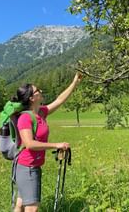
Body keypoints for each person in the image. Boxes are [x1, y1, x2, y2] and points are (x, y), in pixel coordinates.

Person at [12, 72, 82, 212]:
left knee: (20, 205)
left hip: (31, 167)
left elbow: (59, 100)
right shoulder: (25, 118)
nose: (41, 91)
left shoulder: (41, 113)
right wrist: (56, 145)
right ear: (32, 98)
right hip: (28, 168)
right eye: (38, 91)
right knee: (32, 208)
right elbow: (30, 143)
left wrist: (74, 83)